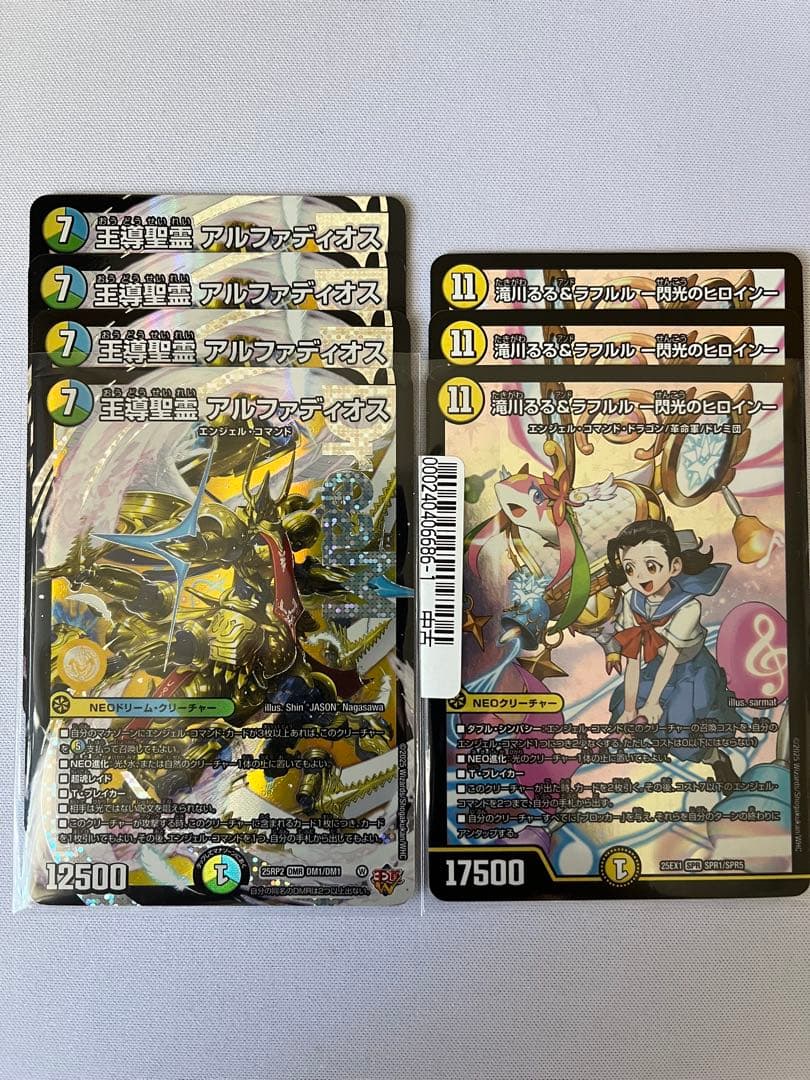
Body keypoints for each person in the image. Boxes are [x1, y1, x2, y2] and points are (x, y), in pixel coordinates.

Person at [606, 519, 742, 785]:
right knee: (625, 711)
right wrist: (631, 709)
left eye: (651, 566)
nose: (640, 577)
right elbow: (633, 658)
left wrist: (653, 703)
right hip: (656, 666)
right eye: (630, 568)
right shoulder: (631, 600)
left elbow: (671, 660)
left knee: (679, 729)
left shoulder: (688, 607)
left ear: (675, 566)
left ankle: (716, 759)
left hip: (693, 669)